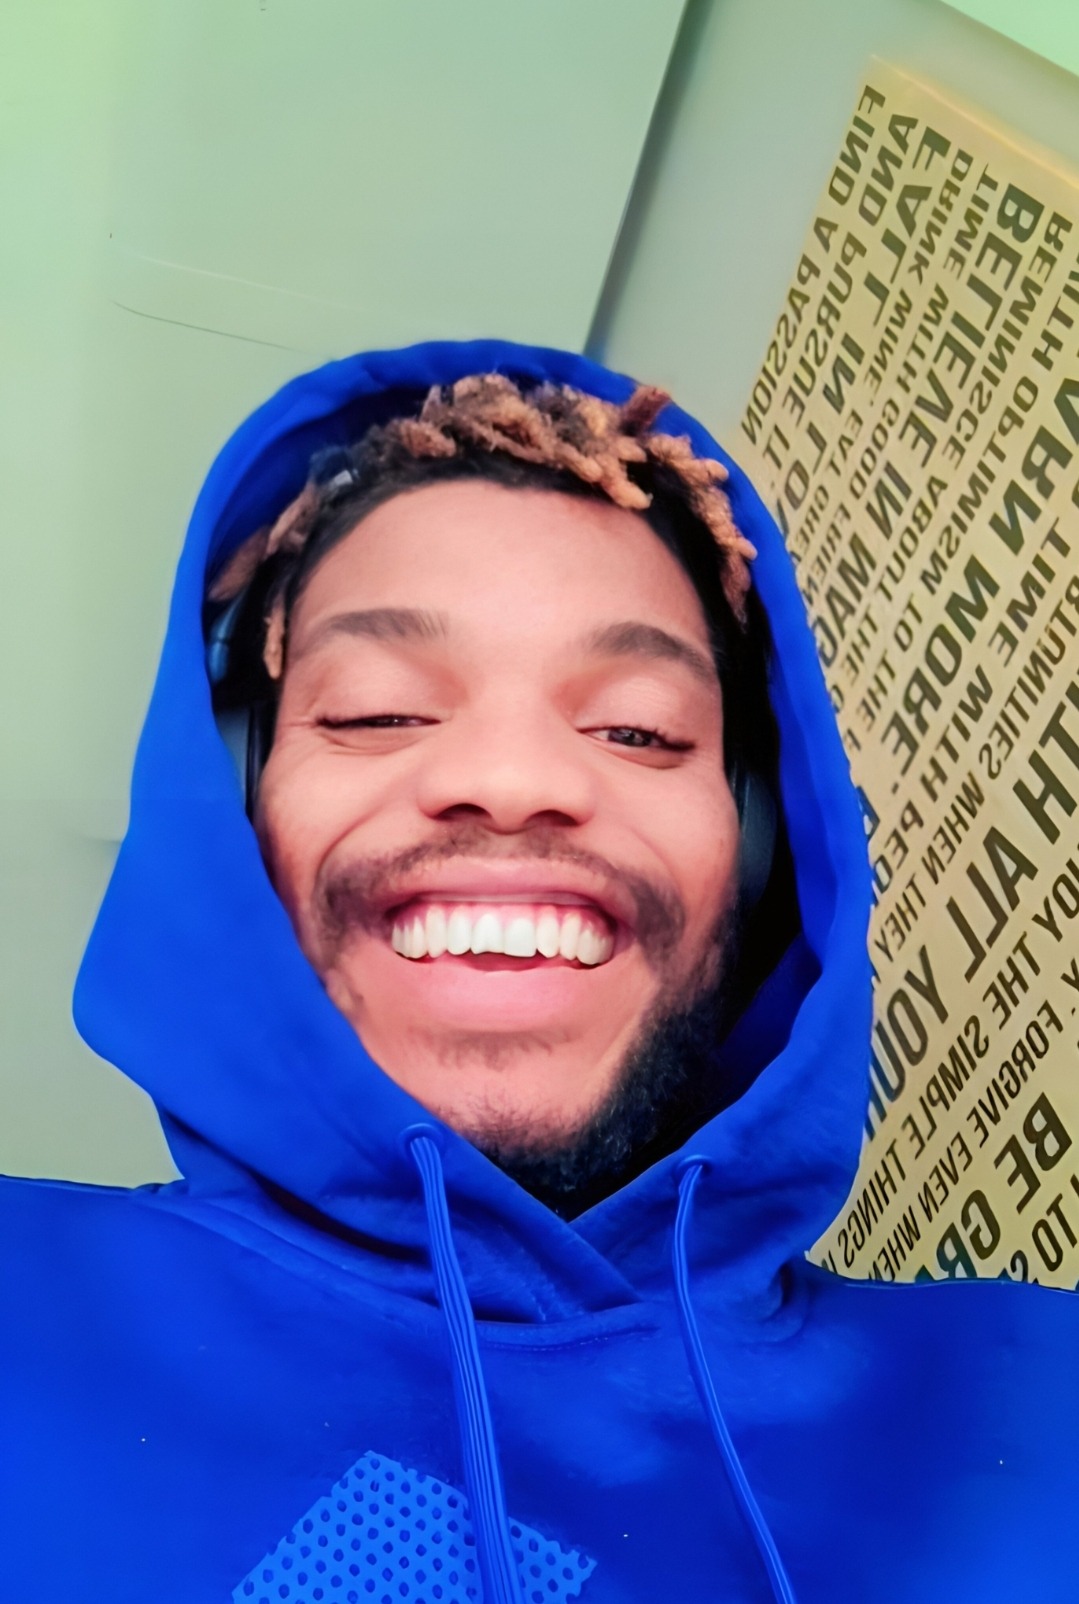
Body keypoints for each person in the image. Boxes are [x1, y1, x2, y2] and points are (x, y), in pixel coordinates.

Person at [2, 339, 1077, 1604]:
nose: (511, 781)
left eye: (638, 728)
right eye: (376, 711)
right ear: (236, 812)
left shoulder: (1034, 1409)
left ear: (756, 847)